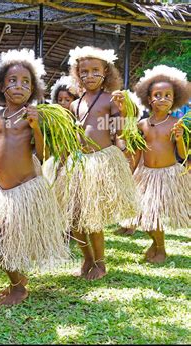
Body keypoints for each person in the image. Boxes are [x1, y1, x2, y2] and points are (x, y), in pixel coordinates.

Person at [0, 49, 70, 306]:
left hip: (25, 190)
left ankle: (18, 288)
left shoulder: (34, 116)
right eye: (12, 80)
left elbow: (43, 155)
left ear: (33, 89)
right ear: (0, 86)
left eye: (25, 82)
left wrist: (36, 128)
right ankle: (18, 282)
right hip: (0, 192)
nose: (19, 86)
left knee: (5, 244)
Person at [56, 46, 139, 280]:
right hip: (79, 164)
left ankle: (100, 264)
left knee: (92, 219)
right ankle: (87, 260)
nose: (89, 76)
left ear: (106, 72)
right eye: (84, 71)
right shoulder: (75, 103)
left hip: (99, 161)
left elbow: (118, 131)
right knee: (75, 219)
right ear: (77, 73)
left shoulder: (109, 100)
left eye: (95, 71)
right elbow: (73, 134)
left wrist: (122, 111)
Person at [120, 65, 190, 263]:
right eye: (157, 95)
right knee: (144, 218)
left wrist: (180, 139)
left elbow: (183, 155)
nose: (163, 98)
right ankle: (156, 244)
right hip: (147, 175)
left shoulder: (177, 123)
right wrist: (130, 174)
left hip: (168, 175)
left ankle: (161, 249)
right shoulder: (142, 124)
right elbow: (136, 151)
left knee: (154, 217)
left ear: (174, 99)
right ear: (149, 98)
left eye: (168, 95)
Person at [42, 75, 80, 184]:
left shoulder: (78, 122)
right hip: (56, 163)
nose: (63, 103)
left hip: (74, 163)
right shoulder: (53, 122)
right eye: (60, 100)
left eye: (67, 100)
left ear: (75, 101)